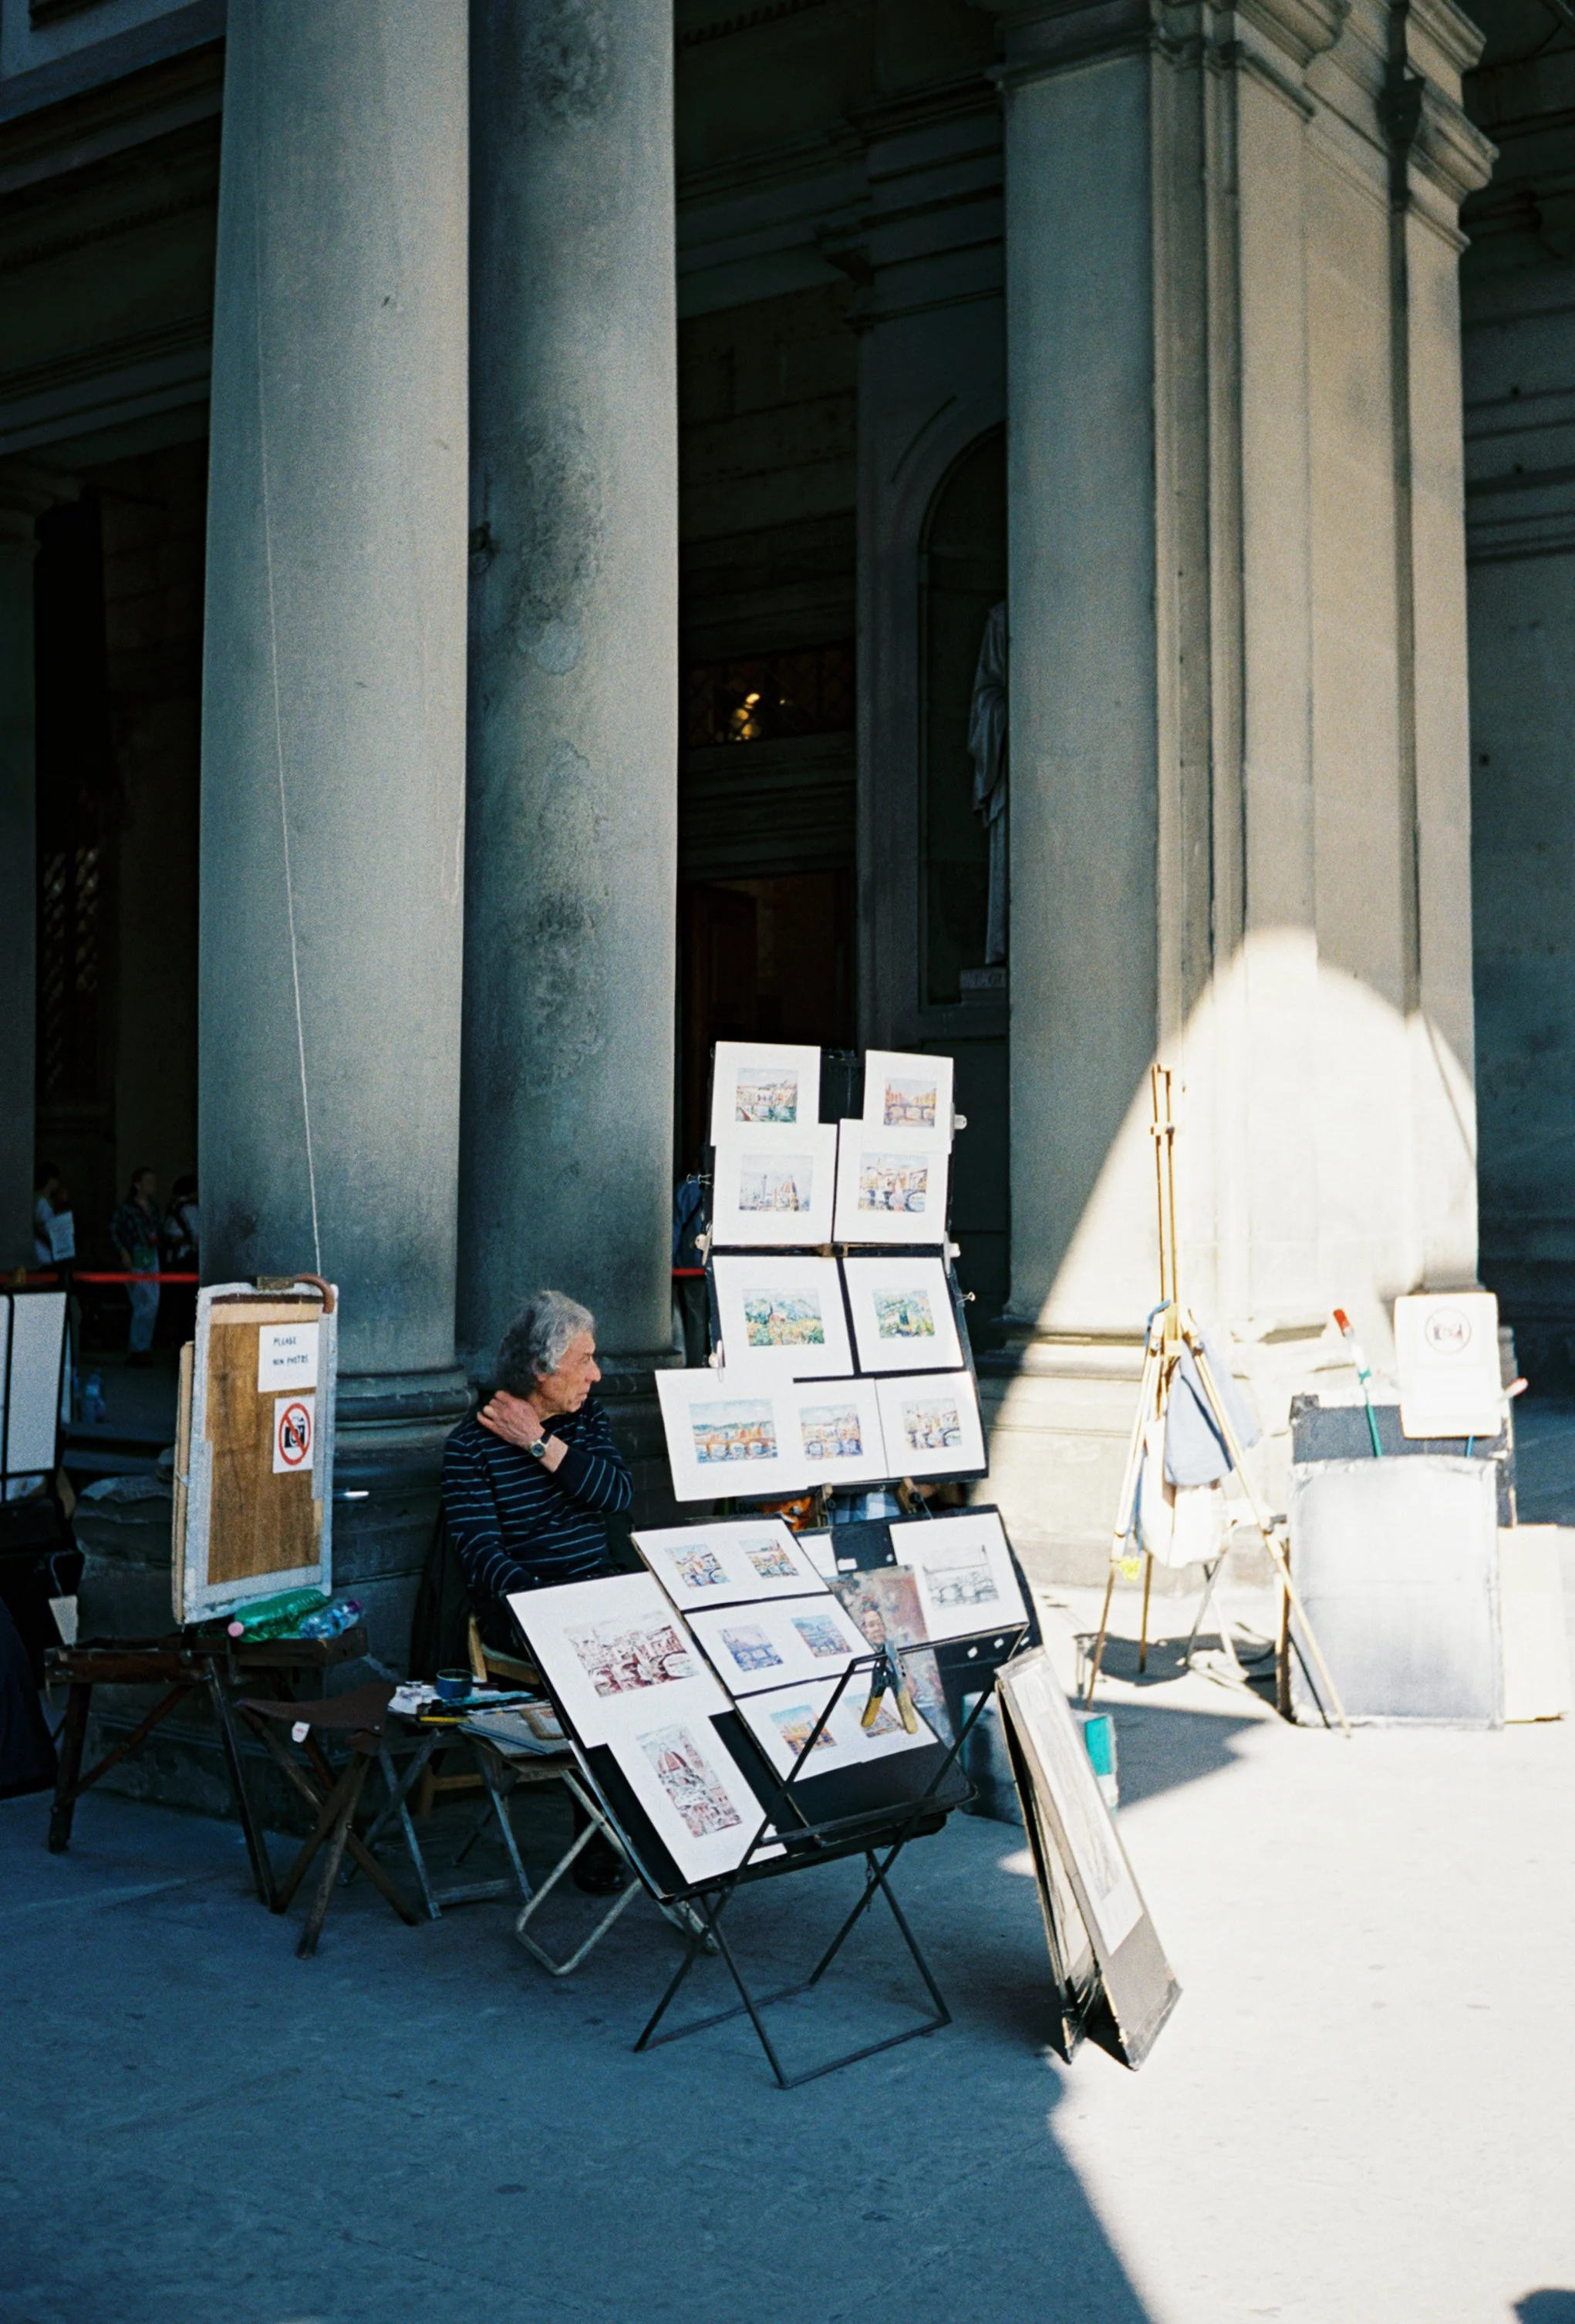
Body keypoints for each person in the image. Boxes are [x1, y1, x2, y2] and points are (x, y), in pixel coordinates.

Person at [442, 1290, 633, 1892]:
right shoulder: (469, 1448)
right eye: (583, 1361)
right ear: (541, 1371)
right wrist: (553, 1609)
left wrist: (540, 1445)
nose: (596, 1374)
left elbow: (616, 1495)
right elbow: (484, 1560)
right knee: (604, 1675)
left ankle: (679, 1820)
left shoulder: (585, 1422)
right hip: (527, 1613)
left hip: (599, 1596)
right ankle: (607, 1846)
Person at [111, 1167, 161, 1366]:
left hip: (151, 1255)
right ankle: (137, 1348)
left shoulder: (153, 1206)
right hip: (135, 1255)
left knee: (154, 1302)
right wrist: (123, 1252)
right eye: (148, 1181)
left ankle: (144, 1346)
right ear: (137, 1185)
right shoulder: (127, 1208)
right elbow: (114, 1231)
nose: (152, 1186)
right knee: (143, 1302)